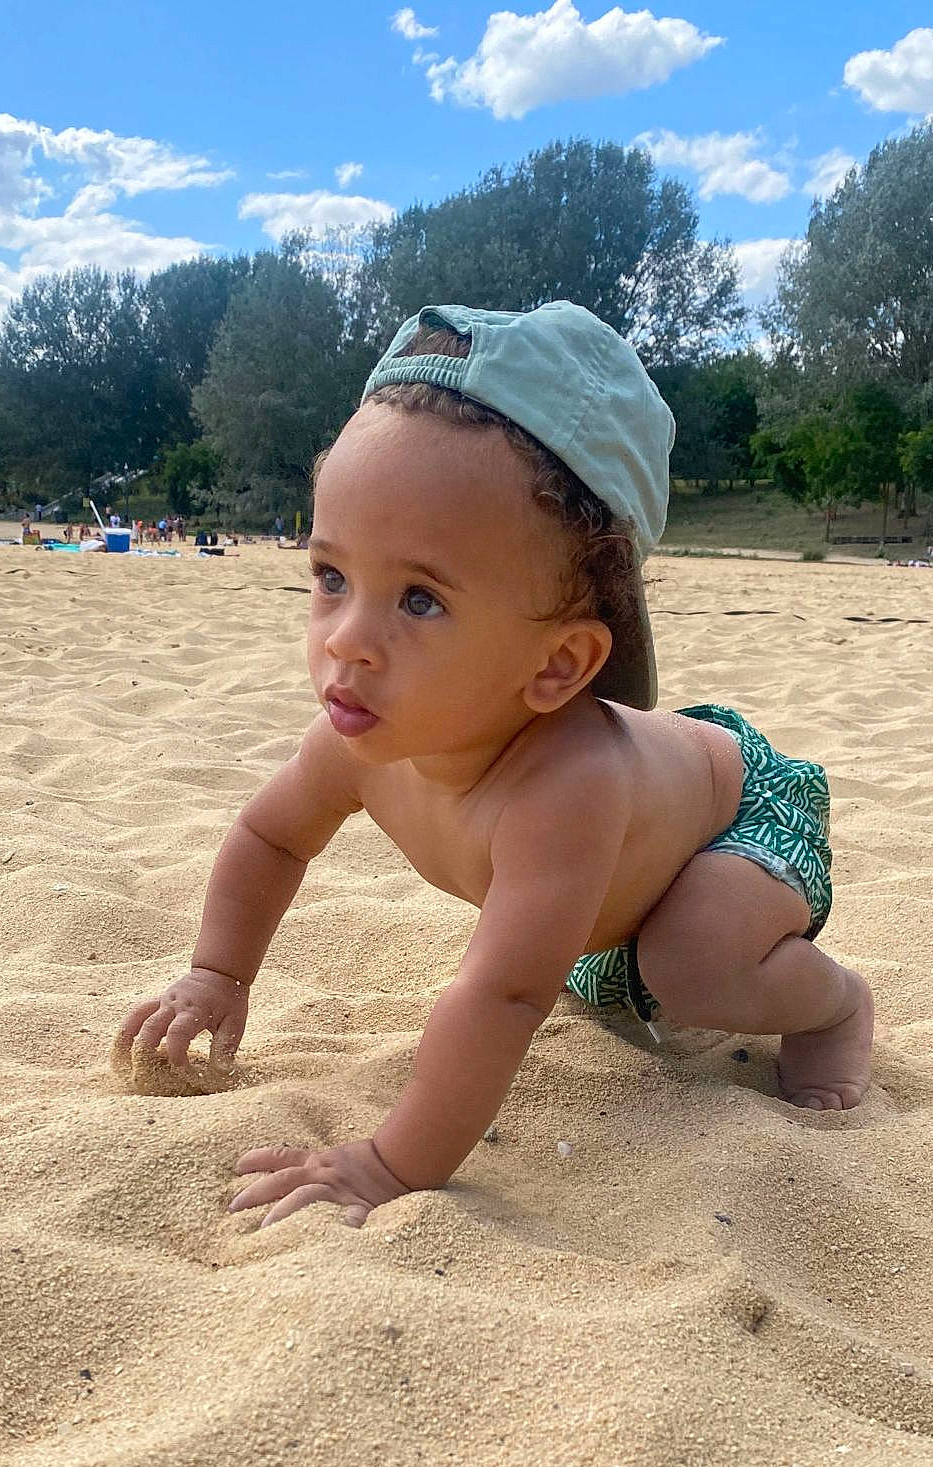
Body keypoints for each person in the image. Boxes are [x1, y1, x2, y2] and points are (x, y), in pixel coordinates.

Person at [115, 302, 873, 1228]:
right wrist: (218, 974)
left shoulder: (567, 785)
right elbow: (270, 837)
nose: (347, 642)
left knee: (694, 962)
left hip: (742, 813)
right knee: (601, 968)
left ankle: (833, 1007)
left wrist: (390, 1163)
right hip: (618, 895)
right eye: (330, 578)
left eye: (421, 601)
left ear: (557, 665)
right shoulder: (357, 742)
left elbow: (503, 995)